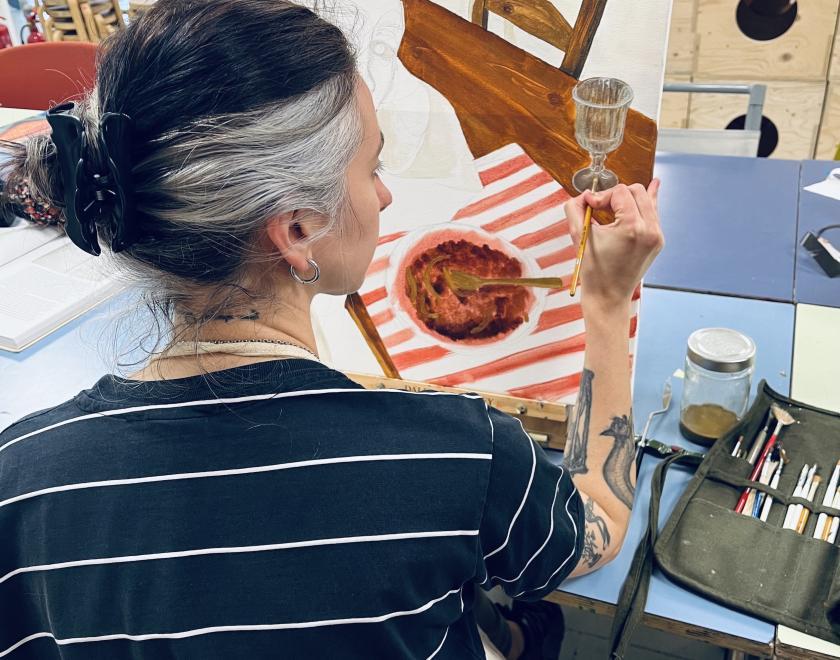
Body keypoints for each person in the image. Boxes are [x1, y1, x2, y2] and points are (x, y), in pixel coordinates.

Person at [0, 1, 663, 658]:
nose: (385, 196)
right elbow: (598, 522)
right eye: (372, 167)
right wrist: (606, 305)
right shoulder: (460, 459)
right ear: (296, 231)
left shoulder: (22, 481)